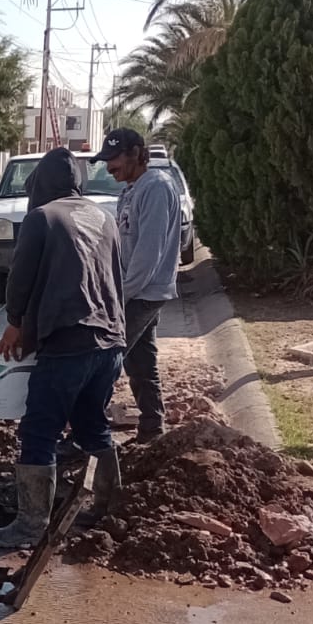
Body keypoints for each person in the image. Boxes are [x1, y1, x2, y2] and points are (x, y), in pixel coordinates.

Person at [0, 147, 126, 549]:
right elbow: (115, 276)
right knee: (92, 425)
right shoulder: (105, 218)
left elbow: (21, 279)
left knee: (39, 430)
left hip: (68, 342)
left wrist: (15, 324)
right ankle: (106, 507)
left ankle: (30, 526)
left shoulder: (41, 218)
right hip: (111, 342)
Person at [96, 127, 182, 441]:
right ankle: (152, 428)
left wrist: (120, 296)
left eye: (114, 159)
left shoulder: (156, 188)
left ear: (135, 154)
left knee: (105, 358)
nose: (109, 167)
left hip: (143, 294)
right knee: (141, 362)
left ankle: (87, 434)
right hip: (136, 292)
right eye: (106, 160)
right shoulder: (131, 190)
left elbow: (149, 253)